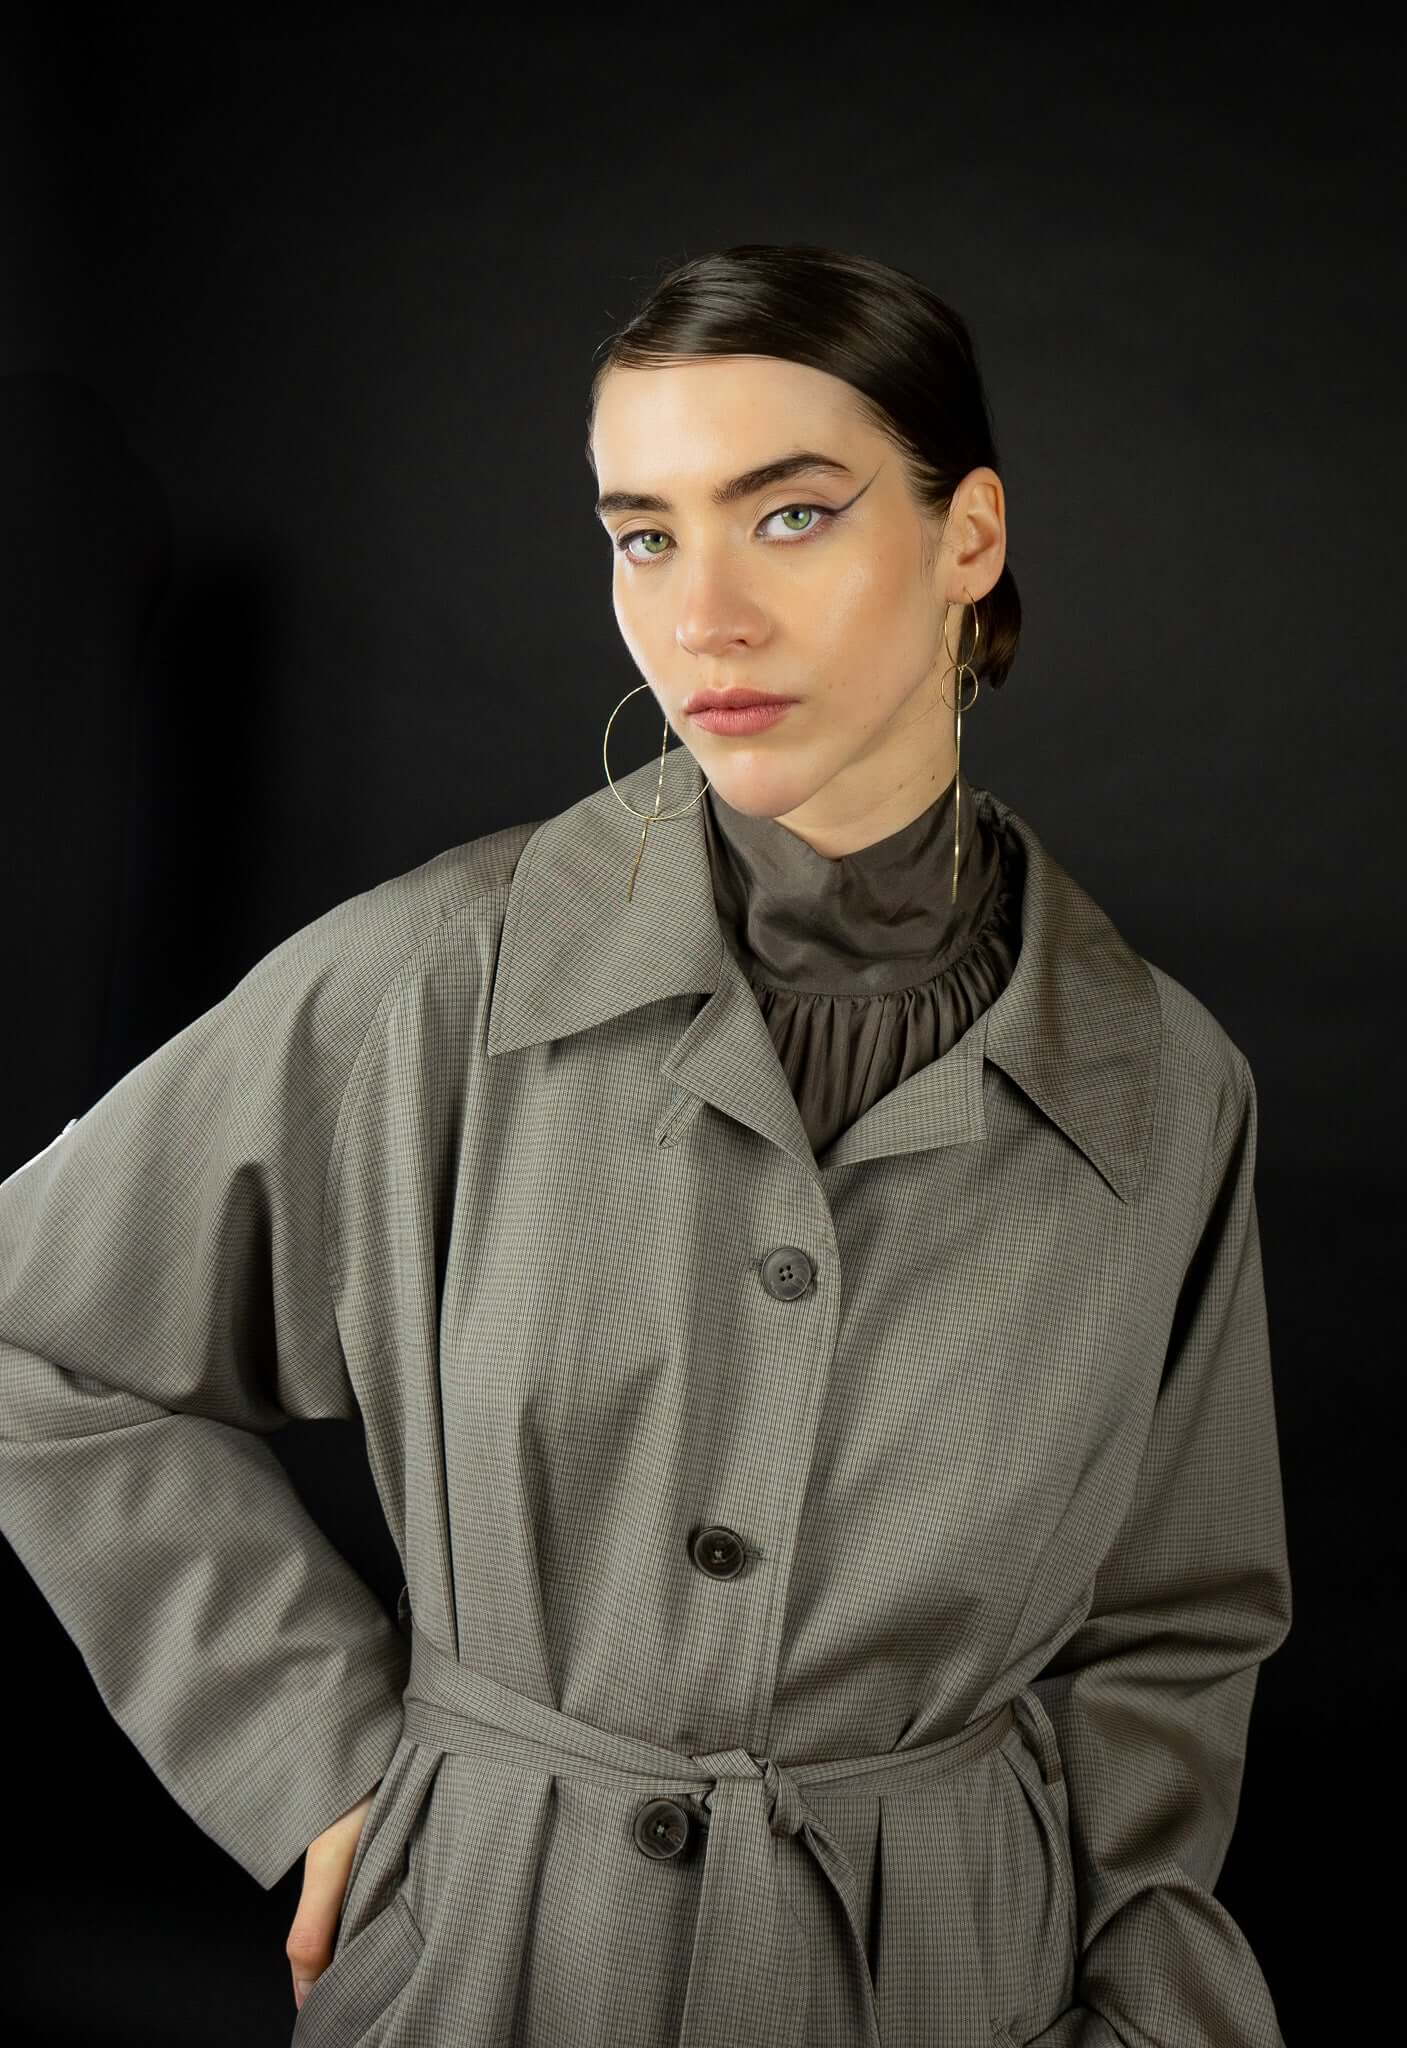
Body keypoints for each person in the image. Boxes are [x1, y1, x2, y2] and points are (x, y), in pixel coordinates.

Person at [0, 243, 1292, 2047]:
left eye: (790, 515)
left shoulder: (1162, 1086)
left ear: (970, 538)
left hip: (949, 1983)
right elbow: (40, 1332)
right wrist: (320, 1762)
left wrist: (1155, 2017)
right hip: (484, 1956)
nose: (704, 617)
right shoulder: (432, 984)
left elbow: (1172, 1627)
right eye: (644, 535)